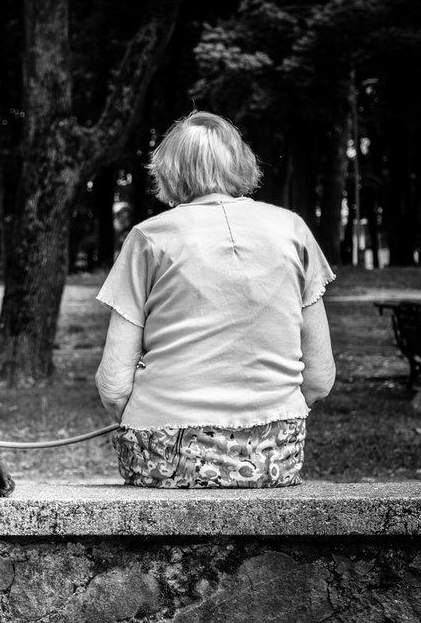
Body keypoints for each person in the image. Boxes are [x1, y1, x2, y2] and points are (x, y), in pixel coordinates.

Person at [94, 111, 336, 488]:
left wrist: (153, 421)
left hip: (166, 453)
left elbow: (113, 386)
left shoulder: (148, 238)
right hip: (273, 453)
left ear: (169, 171)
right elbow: (320, 379)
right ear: (241, 163)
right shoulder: (293, 229)